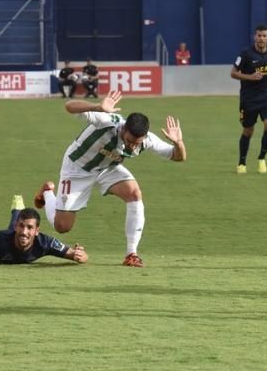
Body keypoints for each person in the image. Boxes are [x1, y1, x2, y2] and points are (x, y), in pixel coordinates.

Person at [33, 90, 186, 267]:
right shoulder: (107, 121)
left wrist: (178, 142)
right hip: (77, 169)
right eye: (129, 140)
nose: (132, 145)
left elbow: (178, 156)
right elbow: (69, 106)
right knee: (62, 227)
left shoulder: (146, 140)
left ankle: (131, 254)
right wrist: (97, 106)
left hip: (106, 168)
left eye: (137, 142)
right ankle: (47, 192)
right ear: (124, 129)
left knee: (134, 193)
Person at [231, 24, 267, 174]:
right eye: (259, 35)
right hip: (248, 98)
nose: (261, 38)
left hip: (266, 96)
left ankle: (262, 158)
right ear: (255, 37)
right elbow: (233, 73)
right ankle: (242, 162)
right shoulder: (246, 53)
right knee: (248, 130)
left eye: (264, 36)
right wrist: (250, 77)